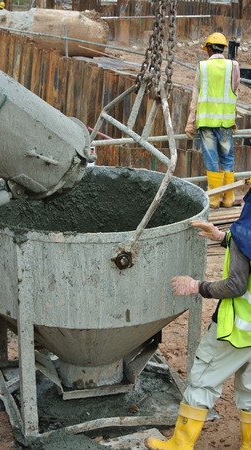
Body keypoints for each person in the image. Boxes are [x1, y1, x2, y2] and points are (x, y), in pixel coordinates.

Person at [145, 188, 251, 450]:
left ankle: (180, 444)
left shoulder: (248, 225)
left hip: (238, 328)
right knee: (250, 387)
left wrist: (196, 286)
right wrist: (223, 237)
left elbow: (236, 285)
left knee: (202, 379)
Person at [185, 32, 240, 209]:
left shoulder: (202, 67)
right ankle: (229, 198)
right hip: (225, 122)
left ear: (209, 49)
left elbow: (195, 97)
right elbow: (235, 94)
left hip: (206, 122)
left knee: (210, 158)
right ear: (223, 48)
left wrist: (190, 122)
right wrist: (233, 119)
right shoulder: (234, 66)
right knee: (227, 159)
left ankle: (214, 200)